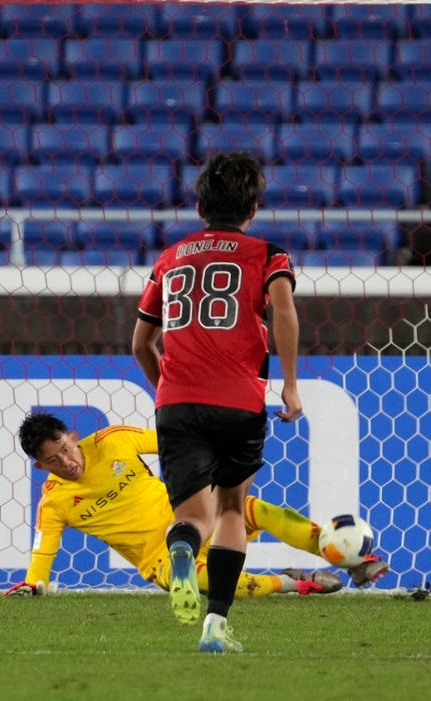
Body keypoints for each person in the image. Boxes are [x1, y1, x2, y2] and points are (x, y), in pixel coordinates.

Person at [131, 150, 303, 653]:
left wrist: (166, 390)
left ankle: (182, 547)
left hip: (177, 401)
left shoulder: (171, 257)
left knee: (193, 519)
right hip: (239, 400)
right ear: (253, 208)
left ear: (200, 206)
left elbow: (140, 342)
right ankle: (215, 626)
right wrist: (289, 384)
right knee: (231, 506)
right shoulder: (268, 254)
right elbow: (285, 312)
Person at [5, 413, 387, 600]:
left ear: (73, 437)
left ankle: (355, 562)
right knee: (216, 585)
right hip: (161, 559)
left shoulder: (113, 441)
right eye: (54, 460)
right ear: (40, 466)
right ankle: (295, 584)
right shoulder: (54, 503)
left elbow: (176, 443)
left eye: (66, 449)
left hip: (192, 515)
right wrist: (32, 585)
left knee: (256, 509)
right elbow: (43, 553)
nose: (67, 461)